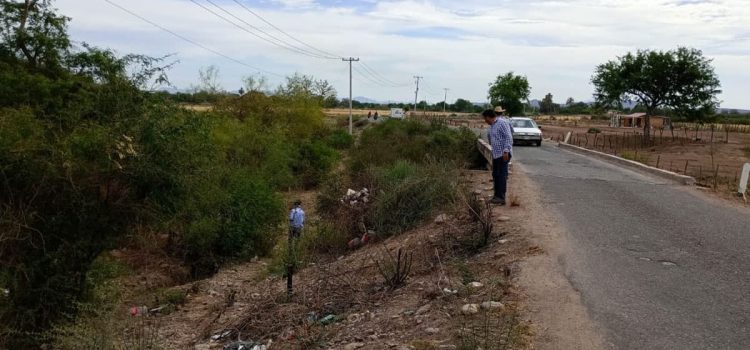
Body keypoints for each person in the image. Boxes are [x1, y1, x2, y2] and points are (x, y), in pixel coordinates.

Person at [482, 109, 513, 205]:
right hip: (496, 154)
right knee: (495, 175)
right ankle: (496, 196)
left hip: (503, 154)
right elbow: (491, 139)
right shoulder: (492, 126)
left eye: (485, 118)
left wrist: (506, 151)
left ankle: (501, 198)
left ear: (488, 117)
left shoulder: (502, 123)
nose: (484, 120)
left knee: (501, 176)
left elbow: (508, 137)